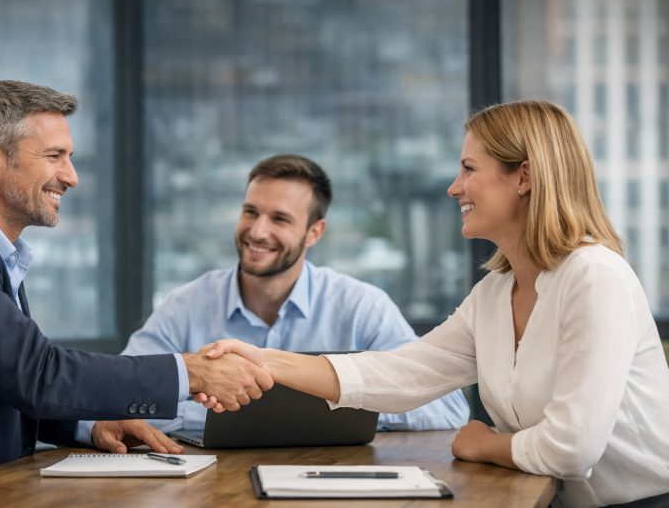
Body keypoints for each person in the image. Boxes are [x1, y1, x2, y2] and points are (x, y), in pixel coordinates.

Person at [199, 101, 669, 508]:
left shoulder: (594, 275)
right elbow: (400, 375)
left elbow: (572, 449)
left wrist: (487, 444)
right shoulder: (494, 295)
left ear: (524, 176)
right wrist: (264, 360)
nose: (454, 187)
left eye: (469, 169)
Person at [0, 81, 272, 499]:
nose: (72, 177)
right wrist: (190, 373)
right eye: (53, 156)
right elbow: (35, 374)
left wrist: (89, 425)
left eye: (70, 157)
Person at [84, 155, 468, 447]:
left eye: (280, 219)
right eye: (250, 212)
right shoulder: (185, 307)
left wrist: (345, 399)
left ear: (314, 232)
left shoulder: (362, 308)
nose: (257, 230)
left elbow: (449, 409)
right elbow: (111, 402)